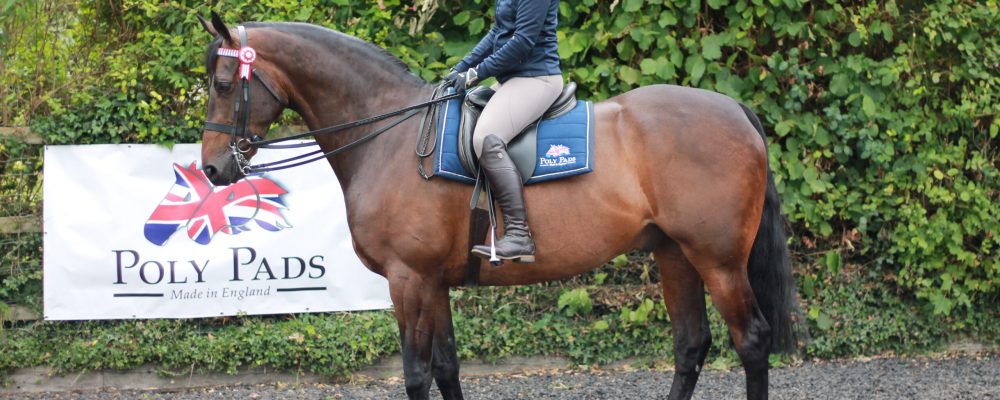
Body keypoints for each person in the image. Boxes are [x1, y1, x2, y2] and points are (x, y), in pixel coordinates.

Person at [445, 0, 563, 264]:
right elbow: (497, 33)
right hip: (512, 80)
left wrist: (476, 74)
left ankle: (520, 235)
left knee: (486, 138)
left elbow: (522, 42)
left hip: (537, 78)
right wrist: (461, 68)